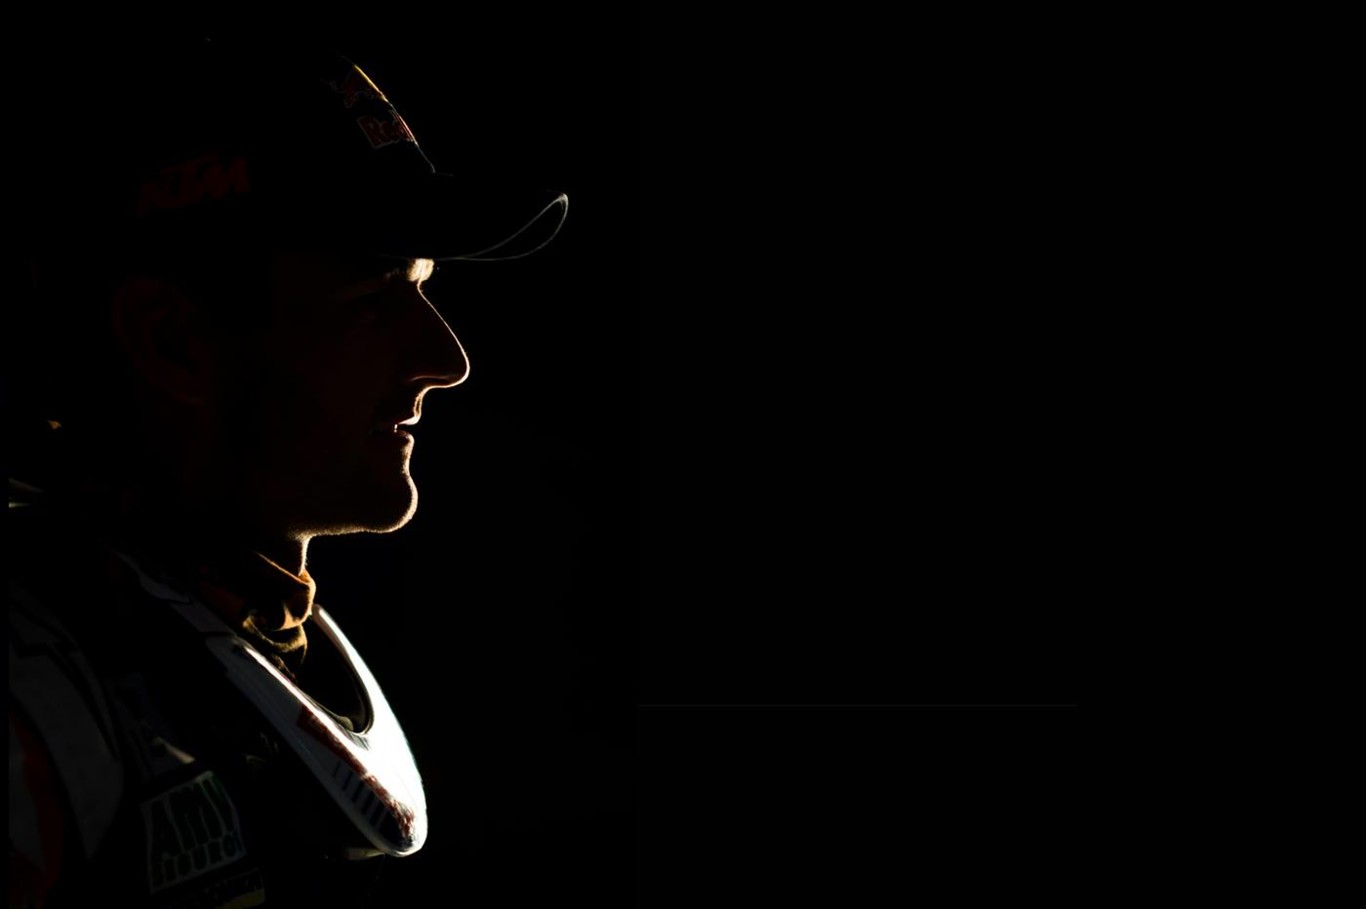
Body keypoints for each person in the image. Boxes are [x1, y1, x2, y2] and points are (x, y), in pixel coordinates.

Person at [8, 37, 567, 908]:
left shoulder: (224, 627)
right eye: (372, 297)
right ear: (173, 342)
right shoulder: (37, 704)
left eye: (425, 285)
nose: (446, 358)